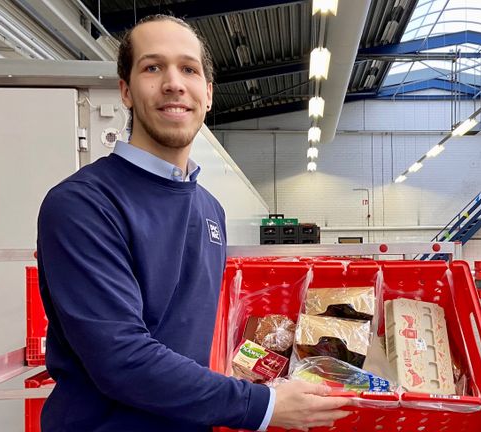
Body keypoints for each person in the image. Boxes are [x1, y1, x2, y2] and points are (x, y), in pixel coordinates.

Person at [36, 15, 350, 432]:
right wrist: (262, 405)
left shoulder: (209, 208)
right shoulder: (84, 204)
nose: (173, 83)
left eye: (189, 69)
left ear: (208, 94)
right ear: (126, 92)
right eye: (152, 67)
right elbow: (121, 359)